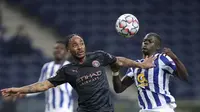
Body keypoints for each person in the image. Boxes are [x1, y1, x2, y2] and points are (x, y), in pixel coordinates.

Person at [1, 34, 155, 112]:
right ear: (69, 50)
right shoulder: (67, 71)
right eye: (75, 45)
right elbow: (43, 85)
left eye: (81, 43)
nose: (80, 47)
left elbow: (120, 61)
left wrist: (141, 65)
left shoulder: (98, 56)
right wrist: (18, 89)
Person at [112, 33, 188, 112]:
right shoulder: (136, 65)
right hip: (145, 110)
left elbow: (184, 76)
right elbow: (119, 89)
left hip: (162, 108)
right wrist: (115, 72)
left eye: (150, 41)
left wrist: (175, 59)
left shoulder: (162, 59)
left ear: (157, 46)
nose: (145, 43)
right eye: (144, 41)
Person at [4, 41, 74, 112]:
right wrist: (23, 93)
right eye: (56, 48)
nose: (58, 50)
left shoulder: (70, 67)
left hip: (65, 108)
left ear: (66, 52)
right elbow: (39, 87)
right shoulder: (47, 67)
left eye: (61, 48)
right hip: (49, 109)